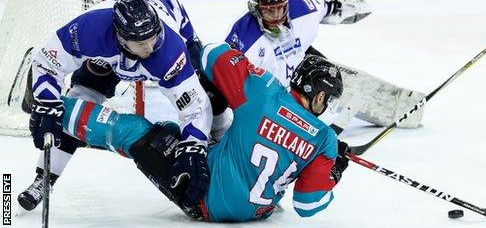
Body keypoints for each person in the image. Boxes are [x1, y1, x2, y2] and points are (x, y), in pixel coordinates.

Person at [55, 47, 349, 222]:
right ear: (320, 96)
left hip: (204, 196)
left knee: (137, 133)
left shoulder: (265, 91)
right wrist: (332, 171)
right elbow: (308, 206)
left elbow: (210, 54)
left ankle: (52, 108)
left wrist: (243, 73)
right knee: (171, 133)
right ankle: (88, 128)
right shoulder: (325, 139)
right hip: (257, 213)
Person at [17, 0, 228, 211]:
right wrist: (47, 105)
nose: (150, 48)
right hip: (111, 55)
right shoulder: (89, 29)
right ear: (121, 39)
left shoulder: (168, 49)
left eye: (153, 39)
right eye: (142, 44)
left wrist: (193, 147)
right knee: (76, 106)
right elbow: (47, 63)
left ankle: (221, 143)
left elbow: (194, 106)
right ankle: (43, 180)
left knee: (211, 93)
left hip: (170, 11)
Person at [224, 0, 422, 129]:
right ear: (256, 11)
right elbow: (228, 81)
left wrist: (346, 7)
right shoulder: (244, 37)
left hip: (296, 63)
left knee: (324, 72)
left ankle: (325, 101)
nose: (277, 17)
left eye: (280, 9)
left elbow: (332, 4)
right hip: (268, 87)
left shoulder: (301, 7)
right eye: (269, 12)